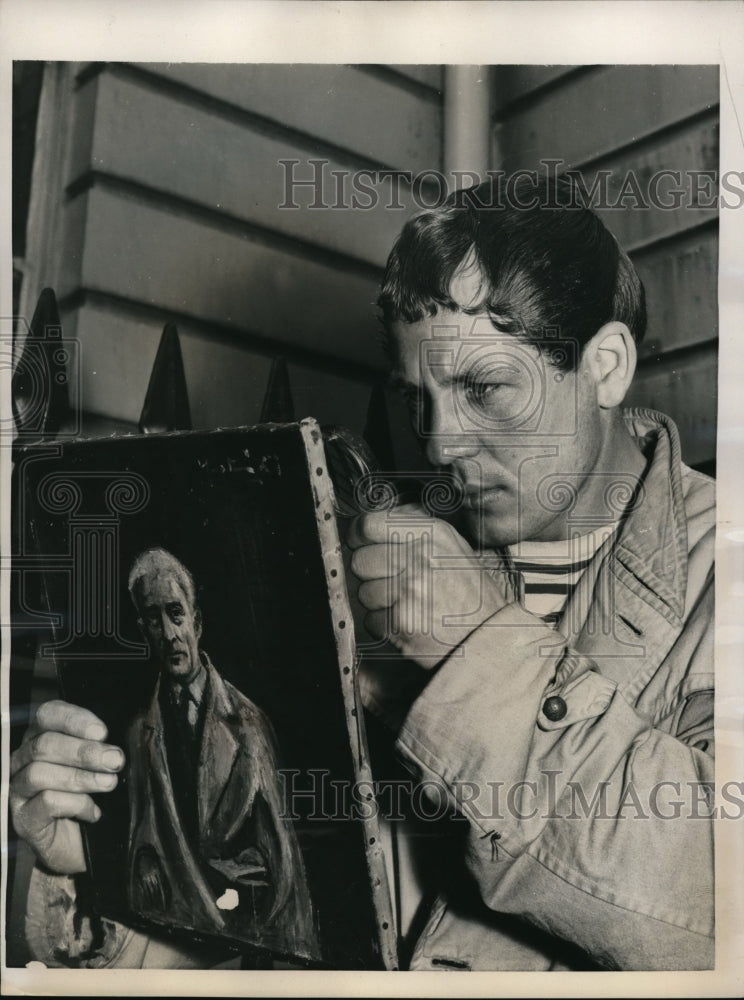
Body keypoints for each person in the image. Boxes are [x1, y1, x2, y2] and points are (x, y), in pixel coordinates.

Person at [10, 175, 714, 971]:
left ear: (607, 367)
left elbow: (712, 909)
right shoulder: (386, 583)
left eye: (484, 389)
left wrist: (480, 646)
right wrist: (93, 877)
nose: (440, 443)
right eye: (420, 399)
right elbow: (289, 921)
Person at [11, 547, 319, 966]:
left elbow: (285, 872)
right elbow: (146, 851)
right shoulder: (139, 732)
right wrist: (96, 865)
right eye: (153, 619)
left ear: (197, 621)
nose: (169, 633)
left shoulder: (249, 724)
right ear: (143, 630)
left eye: (176, 614)